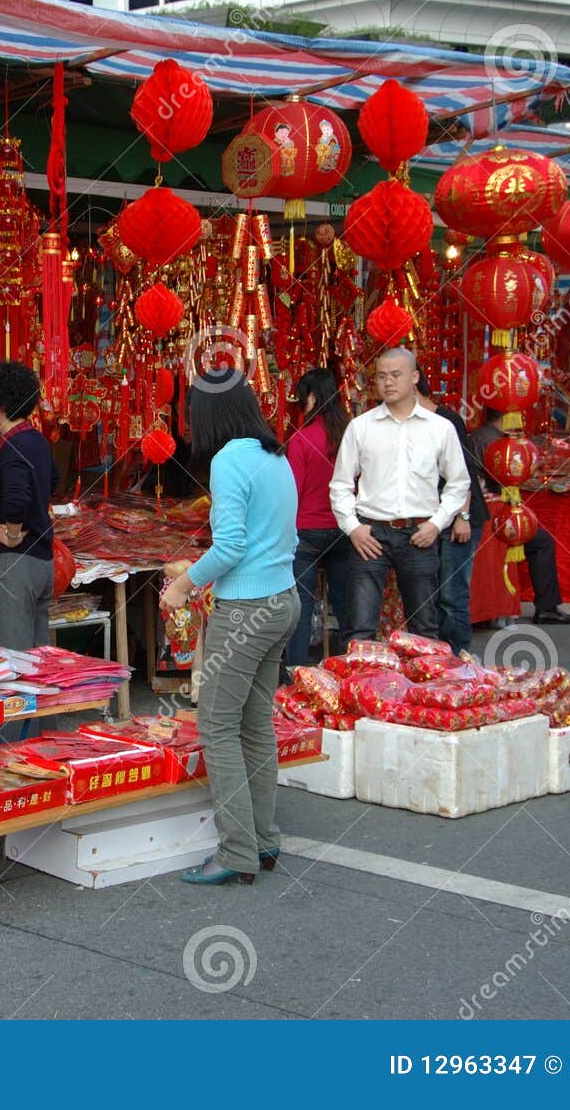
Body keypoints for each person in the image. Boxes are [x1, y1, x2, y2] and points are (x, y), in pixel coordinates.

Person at [160, 368, 297, 886]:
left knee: (216, 727)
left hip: (245, 610)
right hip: (283, 599)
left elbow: (233, 546)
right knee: (254, 725)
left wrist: (184, 584)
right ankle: (263, 840)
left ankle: (237, 850)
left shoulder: (229, 460)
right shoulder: (273, 454)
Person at [330, 348, 469, 643]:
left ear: (414, 377)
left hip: (419, 532)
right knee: (360, 627)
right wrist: (353, 528)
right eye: (381, 376)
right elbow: (340, 484)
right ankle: (361, 686)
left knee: (425, 627)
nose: (388, 383)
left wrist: (437, 523)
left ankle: (428, 687)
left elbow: (459, 482)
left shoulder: (439, 428)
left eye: (396, 375)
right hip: (371, 534)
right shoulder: (361, 427)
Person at [467, 409, 570, 627]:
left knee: (540, 541)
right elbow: (496, 479)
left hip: (497, 506)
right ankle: (546, 607)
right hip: (495, 509)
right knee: (541, 542)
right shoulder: (492, 441)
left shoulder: (484, 436)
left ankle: (546, 606)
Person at [0, 361, 59, 651]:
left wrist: (13, 533)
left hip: (14, 563)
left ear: (0, 401)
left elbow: (17, 498)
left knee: (10, 658)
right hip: (41, 560)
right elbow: (53, 481)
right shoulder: (35, 441)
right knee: (37, 657)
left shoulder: (12, 447)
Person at [284, 368, 350, 666]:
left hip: (306, 532)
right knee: (346, 604)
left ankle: (296, 669)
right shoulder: (348, 435)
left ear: (311, 398)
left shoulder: (301, 439)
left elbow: (292, 492)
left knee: (301, 605)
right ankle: (351, 668)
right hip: (343, 529)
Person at [419, 394, 487, 655]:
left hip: (459, 518)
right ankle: (442, 654)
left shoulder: (447, 420)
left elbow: (465, 474)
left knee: (452, 593)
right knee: (435, 593)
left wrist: (463, 516)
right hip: (436, 518)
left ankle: (460, 655)